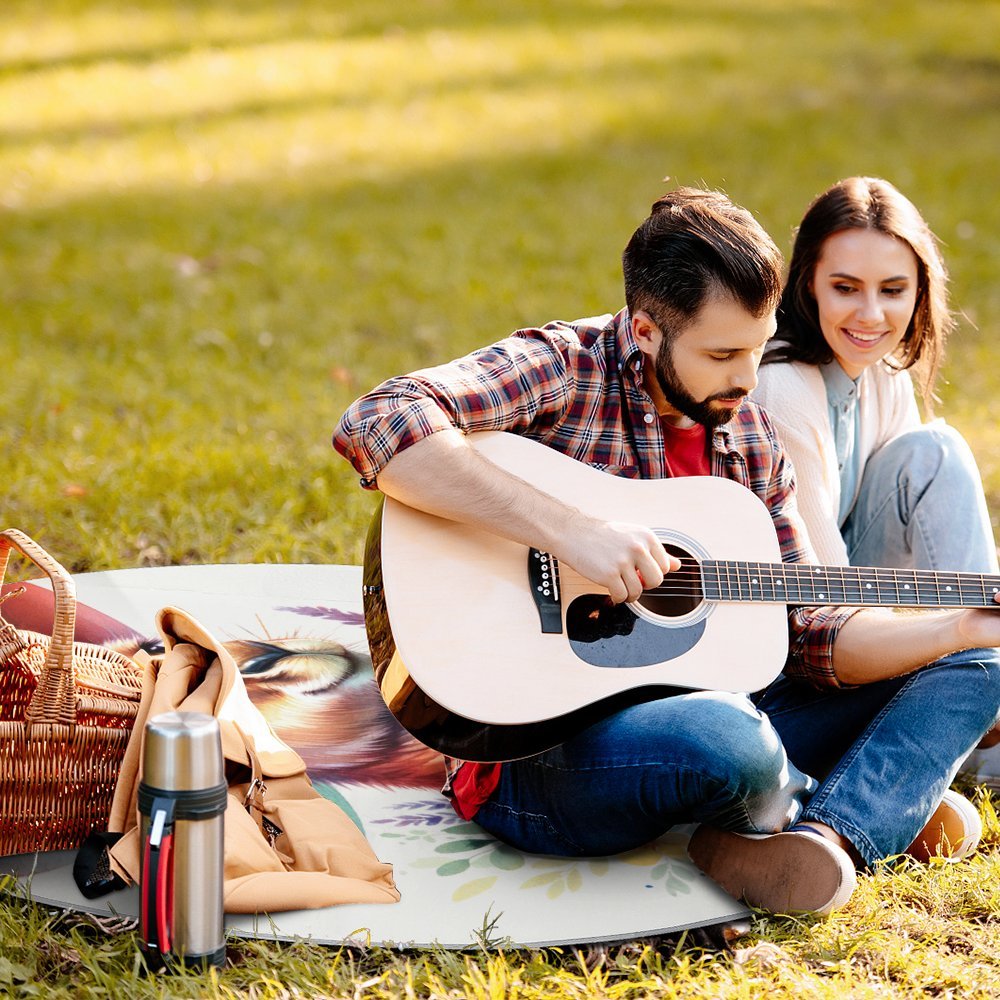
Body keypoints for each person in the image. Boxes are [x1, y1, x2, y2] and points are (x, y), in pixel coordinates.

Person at [333, 187, 1000, 916]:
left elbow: (809, 629)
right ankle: (860, 796)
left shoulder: (748, 436)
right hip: (538, 755)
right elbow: (380, 419)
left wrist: (956, 628)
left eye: (757, 346)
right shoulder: (564, 367)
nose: (748, 380)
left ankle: (830, 836)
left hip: (726, 709)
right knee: (729, 741)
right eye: (722, 354)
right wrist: (569, 531)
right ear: (646, 330)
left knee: (980, 665)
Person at [753, 176, 1000, 791]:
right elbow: (824, 602)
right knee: (937, 451)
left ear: (920, 291)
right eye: (845, 288)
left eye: (893, 290)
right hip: (796, 648)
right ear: (807, 281)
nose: (871, 315)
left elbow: (921, 536)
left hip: (862, 609)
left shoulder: (882, 371)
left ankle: (978, 695)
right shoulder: (783, 386)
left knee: (931, 451)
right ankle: (976, 709)